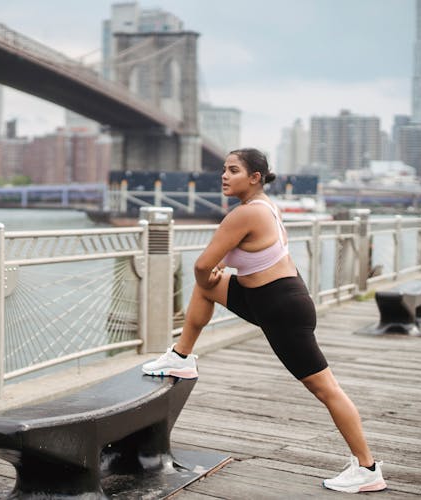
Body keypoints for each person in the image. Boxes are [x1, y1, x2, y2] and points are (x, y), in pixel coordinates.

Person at [142, 148, 387, 494]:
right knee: (208, 289)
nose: (224, 176)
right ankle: (181, 357)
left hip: (281, 308)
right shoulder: (263, 206)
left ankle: (367, 467)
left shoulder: (245, 215)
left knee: (325, 389)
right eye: (224, 170)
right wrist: (215, 274)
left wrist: (211, 272)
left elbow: (201, 265)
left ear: (255, 177)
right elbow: (228, 265)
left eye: (233, 170)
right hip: (262, 296)